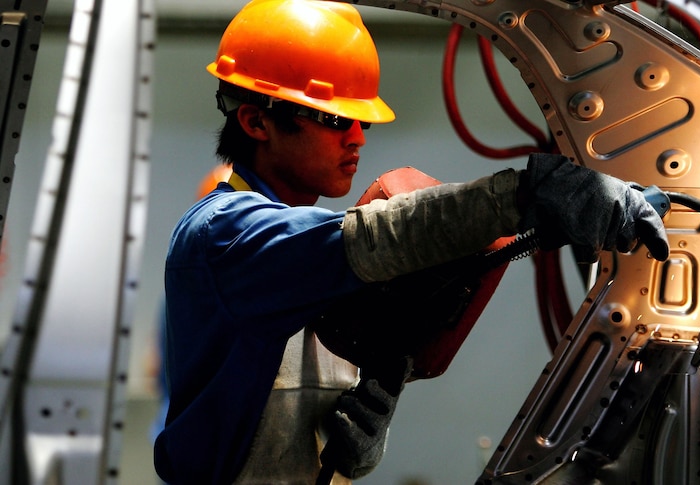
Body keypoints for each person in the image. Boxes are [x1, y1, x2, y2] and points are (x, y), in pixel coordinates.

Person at [152, 0, 669, 484]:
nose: (357, 138)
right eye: (335, 120)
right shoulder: (223, 235)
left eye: (360, 121)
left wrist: (361, 437)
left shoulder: (308, 259)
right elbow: (382, 235)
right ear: (255, 120)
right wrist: (528, 194)